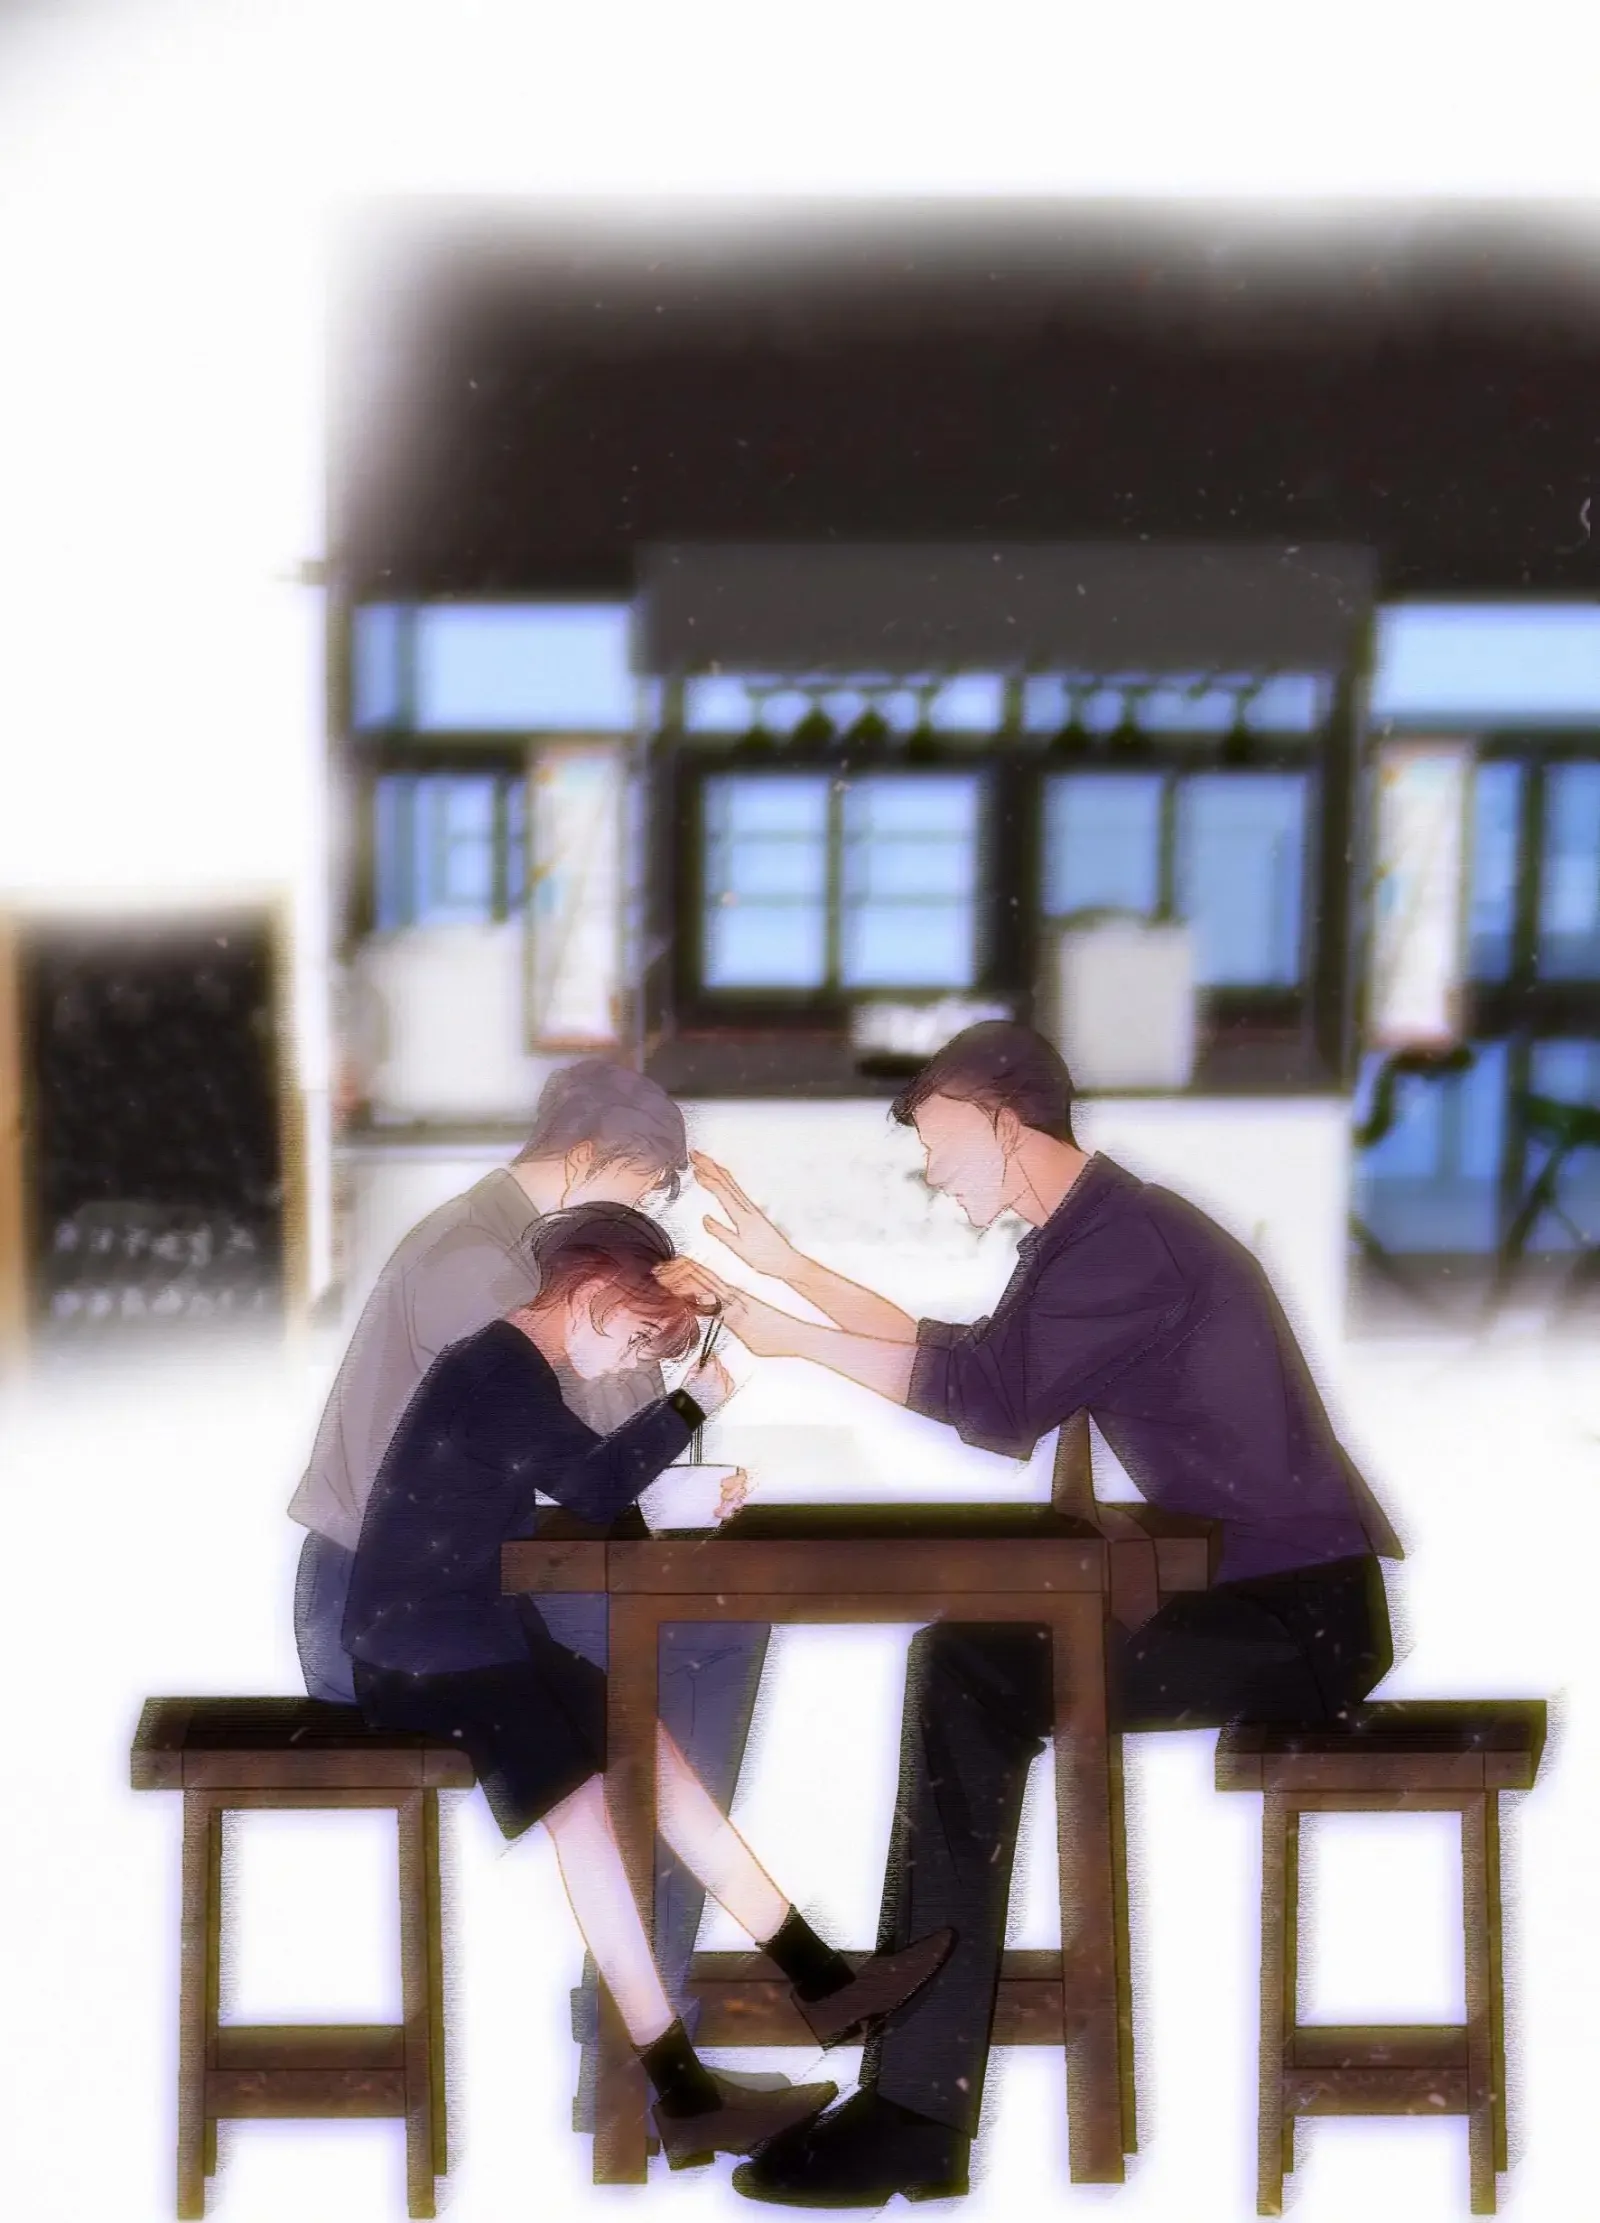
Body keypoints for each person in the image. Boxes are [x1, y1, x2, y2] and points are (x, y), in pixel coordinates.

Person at [656, 1021, 1404, 2207]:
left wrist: (790, 1336)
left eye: (939, 1142)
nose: (929, 1171)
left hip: (1295, 1622)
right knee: (969, 1668)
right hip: (1258, 1598)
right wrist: (788, 1273)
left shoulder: (1123, 1246)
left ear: (1006, 1125)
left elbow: (988, 1402)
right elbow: (964, 1356)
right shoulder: (1091, 1235)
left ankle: (915, 2110)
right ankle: (913, 2092)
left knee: (970, 1676)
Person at [344, 1201, 954, 2166]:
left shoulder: (506, 1366)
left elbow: (567, 1488)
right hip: (428, 1653)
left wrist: (664, 1492)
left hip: (473, 1632)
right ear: (590, 1291)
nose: (627, 1362)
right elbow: (591, 1487)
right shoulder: (498, 1368)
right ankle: (683, 2088)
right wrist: (696, 1398)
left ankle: (821, 1979)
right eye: (635, 1337)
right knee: (589, 1815)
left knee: (646, 1747)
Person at [286, 1057, 774, 2128]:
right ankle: (641, 2043)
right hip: (391, 1611)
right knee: (701, 1645)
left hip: (451, 1586)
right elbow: (594, 1450)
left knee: (689, 1642)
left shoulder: (507, 1249)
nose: (650, 1216)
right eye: (645, 1191)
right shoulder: (484, 1268)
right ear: (592, 1160)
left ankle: (645, 2029)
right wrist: (667, 1334)